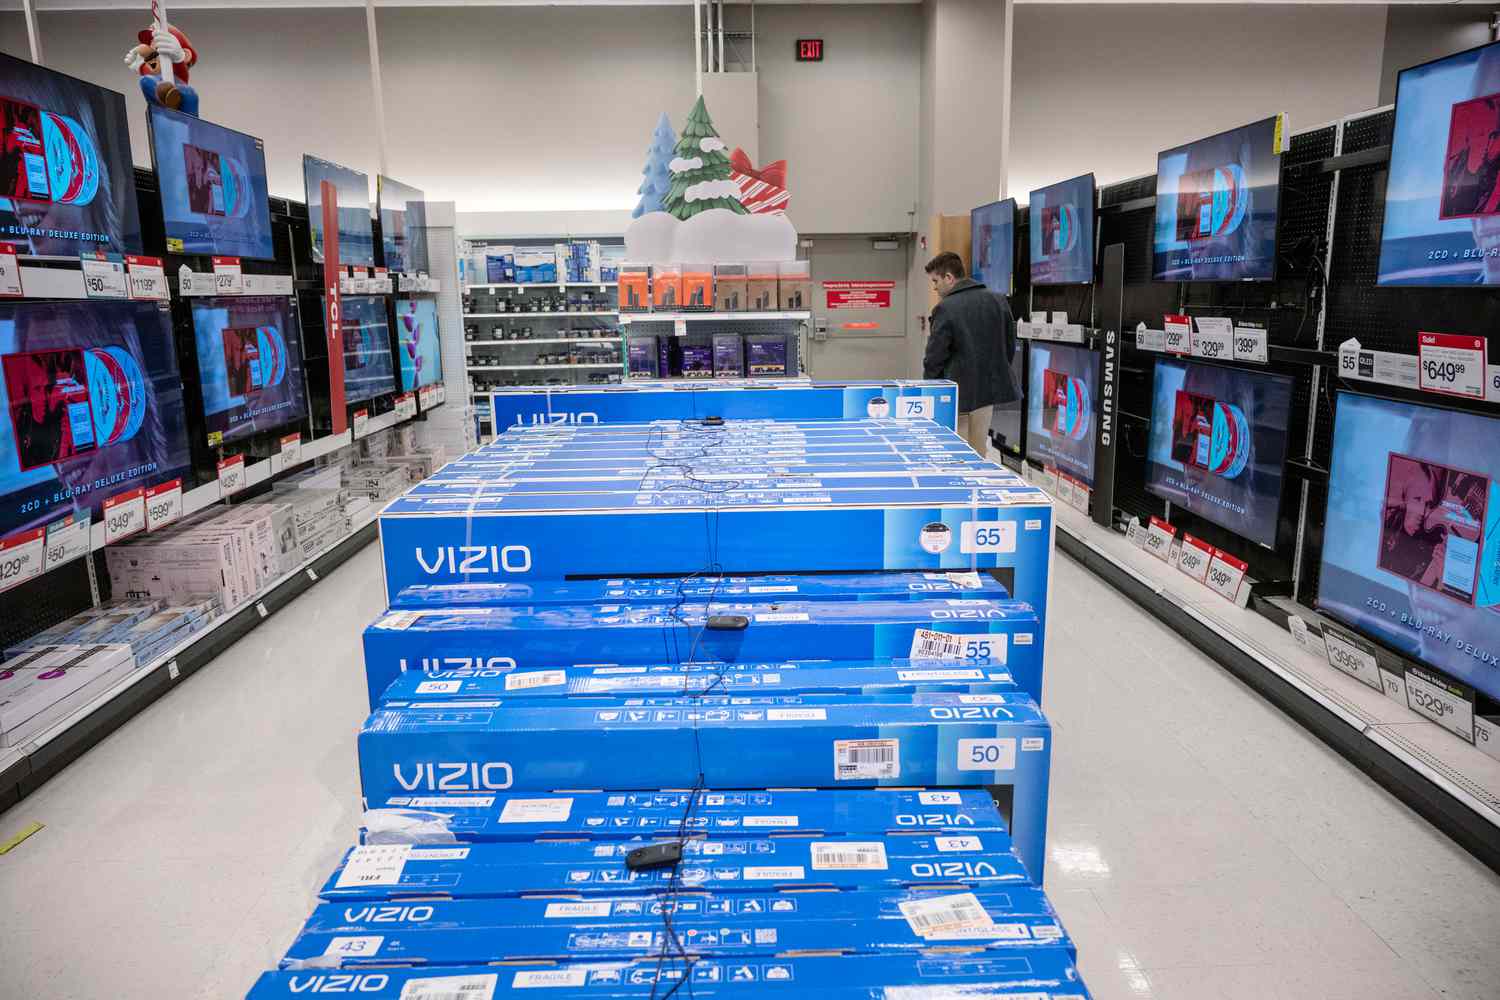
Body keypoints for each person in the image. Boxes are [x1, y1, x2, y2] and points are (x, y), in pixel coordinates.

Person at [922, 251, 1017, 456]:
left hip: (957, 395)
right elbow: (1009, 345)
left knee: (958, 453)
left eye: (936, 281)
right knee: (978, 449)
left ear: (949, 278)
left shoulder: (945, 308)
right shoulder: (998, 300)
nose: (935, 287)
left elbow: (934, 358)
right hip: (988, 393)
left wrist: (930, 389)